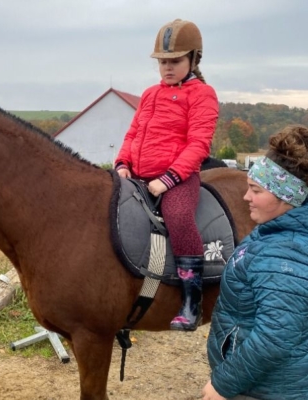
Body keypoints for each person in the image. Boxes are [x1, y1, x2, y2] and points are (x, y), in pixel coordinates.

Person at [114, 19, 219, 331]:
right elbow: (134, 133)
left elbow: (198, 144)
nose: (167, 68)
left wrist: (169, 179)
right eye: (163, 62)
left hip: (178, 179)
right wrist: (122, 163)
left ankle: (191, 301)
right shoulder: (149, 94)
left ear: (193, 60)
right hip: (137, 175)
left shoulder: (203, 94)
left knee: (179, 217)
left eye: (174, 61)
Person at [203, 124, 308, 400]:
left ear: (287, 196)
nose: (246, 197)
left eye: (256, 190)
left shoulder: (285, 252)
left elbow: (274, 337)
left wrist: (221, 385)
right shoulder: (276, 230)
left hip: (265, 389)